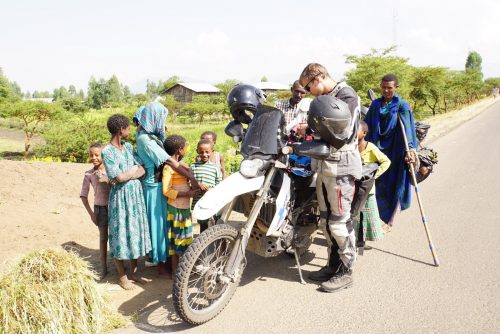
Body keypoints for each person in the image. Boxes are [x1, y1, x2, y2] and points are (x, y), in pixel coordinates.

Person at [298, 63, 362, 292]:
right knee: (325, 221)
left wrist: (315, 128)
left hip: (341, 166)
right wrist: (306, 130)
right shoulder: (326, 98)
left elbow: (343, 133)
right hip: (324, 165)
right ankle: (332, 265)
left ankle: (347, 271)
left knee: (339, 222)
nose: (308, 92)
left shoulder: (347, 95)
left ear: (318, 79)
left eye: (308, 88)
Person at [134, 101, 199, 276]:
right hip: (154, 188)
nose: (162, 122)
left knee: (164, 227)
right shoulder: (145, 140)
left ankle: (165, 262)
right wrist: (190, 176)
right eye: (160, 119)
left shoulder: (145, 134)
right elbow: (169, 161)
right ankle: (161, 264)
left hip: (155, 185)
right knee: (159, 228)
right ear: (153, 119)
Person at [101, 114, 151, 290]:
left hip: (135, 197)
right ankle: (122, 277)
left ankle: (133, 273)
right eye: (128, 128)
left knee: (134, 231)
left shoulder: (128, 147)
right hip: (120, 198)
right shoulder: (107, 151)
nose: (130, 130)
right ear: (120, 130)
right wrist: (131, 173)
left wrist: (129, 174)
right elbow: (118, 177)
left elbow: (142, 169)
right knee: (120, 233)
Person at [364, 74, 417, 229]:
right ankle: (376, 219)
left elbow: (408, 129)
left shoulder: (402, 105)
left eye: (389, 87)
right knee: (377, 184)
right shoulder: (375, 105)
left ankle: (390, 221)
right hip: (377, 151)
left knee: (395, 184)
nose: (386, 90)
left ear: (396, 88)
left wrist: (411, 150)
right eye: (383, 87)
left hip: (396, 150)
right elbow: (367, 126)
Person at [162, 135, 198, 274]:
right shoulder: (168, 168)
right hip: (175, 209)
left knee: (186, 239)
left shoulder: (182, 165)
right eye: (185, 147)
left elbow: (192, 183)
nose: (187, 149)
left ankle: (184, 272)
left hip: (184, 208)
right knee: (176, 242)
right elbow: (166, 191)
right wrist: (186, 194)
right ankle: (176, 272)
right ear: (179, 150)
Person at [355, 121, 391, 245]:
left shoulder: (370, 148)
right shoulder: (351, 147)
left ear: (364, 133)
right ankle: (356, 238)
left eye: (357, 130)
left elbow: (386, 161)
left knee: (365, 215)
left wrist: (374, 175)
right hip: (353, 187)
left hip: (367, 187)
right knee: (355, 213)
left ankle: (362, 239)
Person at [80, 142, 111, 278]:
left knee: (116, 237)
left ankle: (120, 265)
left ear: (103, 156)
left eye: (97, 155)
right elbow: (83, 195)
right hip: (99, 209)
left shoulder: (111, 171)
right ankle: (103, 268)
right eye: (91, 155)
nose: (94, 157)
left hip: (114, 207)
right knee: (103, 238)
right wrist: (91, 214)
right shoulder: (88, 174)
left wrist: (105, 178)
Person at [191, 139, 222, 233]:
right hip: (199, 202)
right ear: (197, 152)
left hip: (212, 200)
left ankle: (218, 243)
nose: (204, 154)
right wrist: (198, 184)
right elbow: (189, 182)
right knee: (203, 224)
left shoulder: (216, 167)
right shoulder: (193, 166)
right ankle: (203, 246)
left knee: (216, 222)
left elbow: (219, 185)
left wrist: (211, 190)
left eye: (207, 152)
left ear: (212, 152)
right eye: (201, 152)